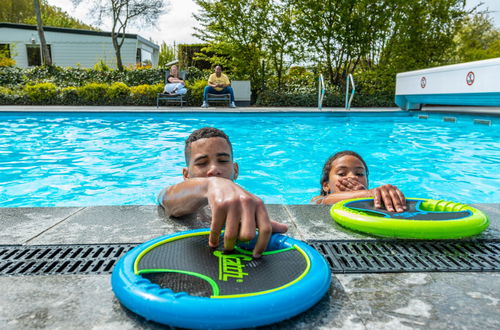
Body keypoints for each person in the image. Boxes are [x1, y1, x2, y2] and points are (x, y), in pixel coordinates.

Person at [158, 127, 288, 258]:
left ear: (235, 170)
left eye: (223, 161)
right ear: (186, 175)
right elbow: (164, 197)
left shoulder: (249, 202)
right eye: (202, 163)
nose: (214, 169)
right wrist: (210, 185)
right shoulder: (184, 197)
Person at [311, 150, 407, 213]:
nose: (352, 177)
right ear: (326, 185)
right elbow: (323, 201)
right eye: (342, 174)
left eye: (359, 174)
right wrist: (368, 194)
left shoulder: (373, 199)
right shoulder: (319, 199)